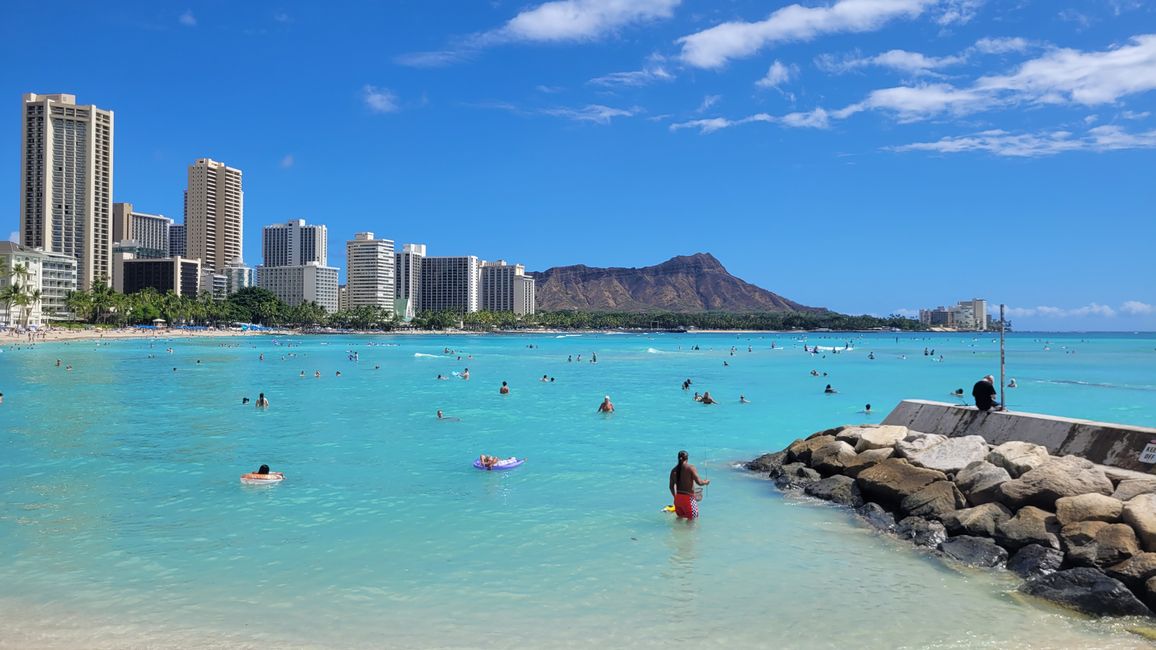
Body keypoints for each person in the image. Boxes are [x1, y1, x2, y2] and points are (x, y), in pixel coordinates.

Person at [669, 450, 710, 520]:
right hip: (688, 499)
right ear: (687, 458)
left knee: (679, 520)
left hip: (678, 499)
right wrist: (706, 482)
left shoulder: (673, 470)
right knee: (691, 522)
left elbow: (671, 487)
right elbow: (699, 482)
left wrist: (675, 497)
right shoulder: (690, 467)